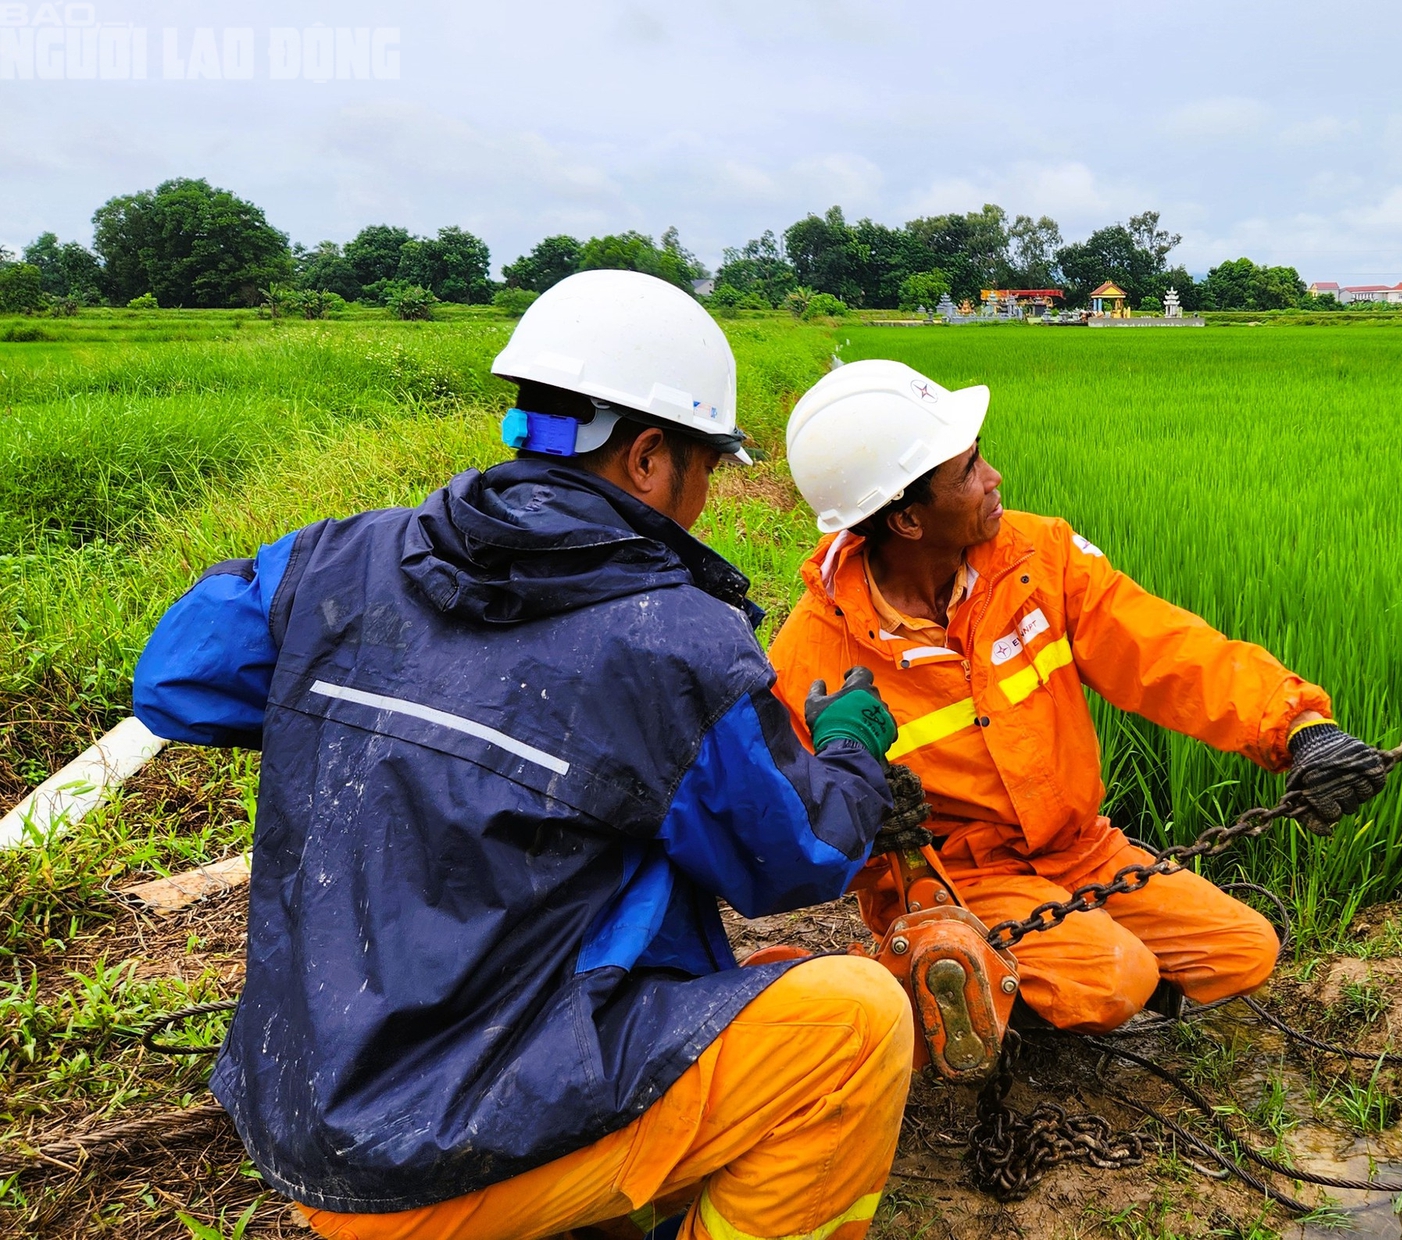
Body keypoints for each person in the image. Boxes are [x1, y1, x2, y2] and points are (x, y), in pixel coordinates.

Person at [131, 271, 915, 1240]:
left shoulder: (341, 558)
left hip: (308, 1120)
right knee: (848, 1019)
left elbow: (175, 676)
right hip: (442, 1157)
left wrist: (393, 685)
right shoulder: (669, 641)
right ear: (647, 455)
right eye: (707, 468)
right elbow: (790, 858)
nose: (707, 496)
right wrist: (846, 752)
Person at [768, 359, 1390, 1034]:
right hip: (955, 879)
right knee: (1115, 977)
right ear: (909, 521)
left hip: (1078, 845)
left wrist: (1297, 725)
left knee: (1241, 952)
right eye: (968, 470)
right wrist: (866, 829)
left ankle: (1053, 978)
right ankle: (947, 991)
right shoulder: (812, 656)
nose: (993, 478)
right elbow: (790, 826)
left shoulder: (1039, 557)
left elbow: (1165, 648)